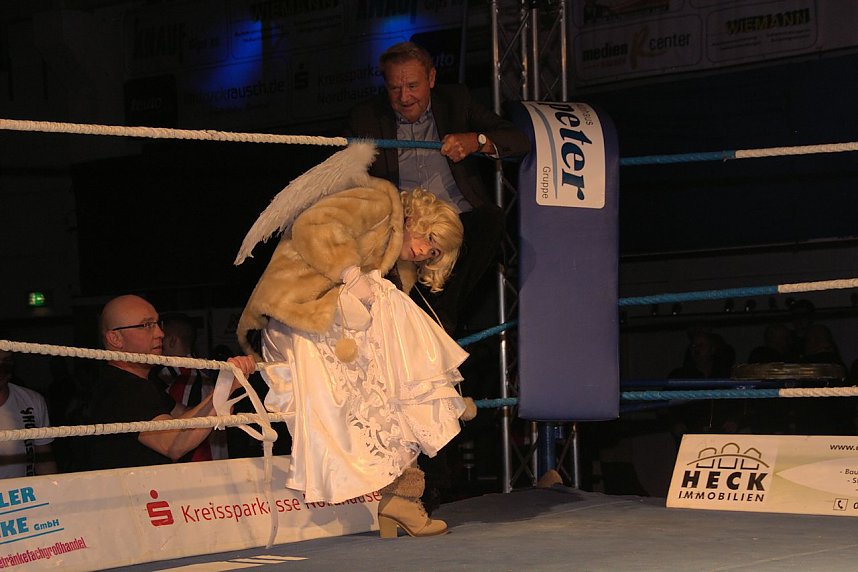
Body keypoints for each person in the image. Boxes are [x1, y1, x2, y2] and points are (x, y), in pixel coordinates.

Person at [237, 172, 468, 538]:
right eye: (427, 238)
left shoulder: (395, 265)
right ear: (416, 220)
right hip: (297, 310)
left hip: (333, 326)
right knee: (388, 301)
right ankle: (436, 390)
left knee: (389, 388)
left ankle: (404, 491)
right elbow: (313, 224)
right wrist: (350, 272)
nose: (425, 251)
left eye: (435, 251)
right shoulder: (378, 203)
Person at [347, 40, 531, 334]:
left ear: (431, 79)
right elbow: (349, 182)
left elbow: (519, 140)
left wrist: (476, 141)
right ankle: (427, 324)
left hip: (454, 226)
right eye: (395, 88)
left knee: (490, 219)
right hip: (401, 229)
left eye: (412, 86)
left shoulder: (457, 100)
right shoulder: (366, 117)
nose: (404, 96)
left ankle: (435, 319)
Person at [82, 295, 255, 471]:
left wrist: (221, 401)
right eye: (147, 325)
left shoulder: (143, 384)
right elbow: (172, 444)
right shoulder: (122, 387)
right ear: (115, 339)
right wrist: (224, 388)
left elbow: (186, 416)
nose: (160, 333)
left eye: (158, 324)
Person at [156, 313, 228, 461]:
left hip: (197, 470)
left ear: (171, 341)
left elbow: (185, 437)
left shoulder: (187, 381)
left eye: (160, 339)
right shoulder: (194, 377)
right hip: (206, 469)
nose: (156, 344)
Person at [0, 348, 56, 478]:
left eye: (6, 362)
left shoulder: (31, 401)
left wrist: (54, 492)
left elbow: (44, 459)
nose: (1, 369)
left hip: (23, 495)